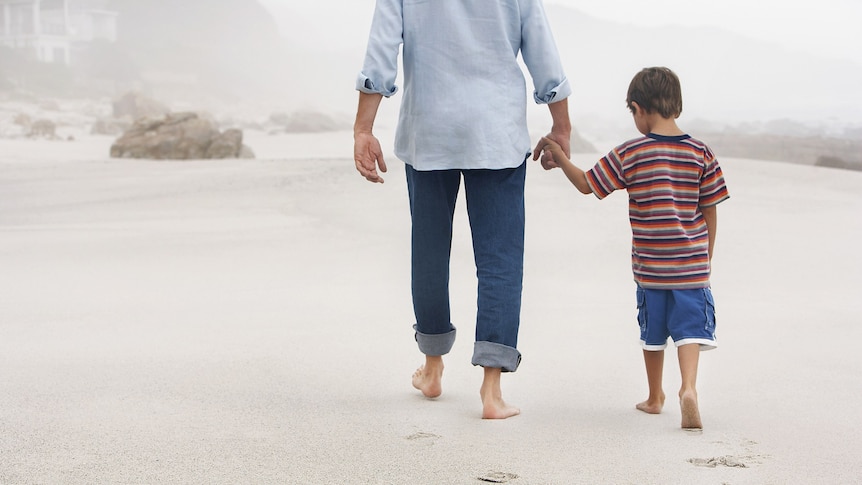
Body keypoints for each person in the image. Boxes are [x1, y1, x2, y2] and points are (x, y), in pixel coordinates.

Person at [353, 0, 572, 419]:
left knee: (430, 252)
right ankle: (492, 390)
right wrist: (560, 124)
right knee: (500, 259)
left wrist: (364, 128)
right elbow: (542, 50)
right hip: (496, 131)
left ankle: (433, 367)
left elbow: (380, 54)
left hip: (429, 131)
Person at [534, 67, 730, 429]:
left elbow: (587, 184)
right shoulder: (701, 153)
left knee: (653, 334)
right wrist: (707, 255)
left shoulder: (631, 152)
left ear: (639, 109)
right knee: (689, 330)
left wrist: (558, 155)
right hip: (691, 268)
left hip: (651, 269)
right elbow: (710, 209)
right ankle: (689, 388)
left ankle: (655, 397)